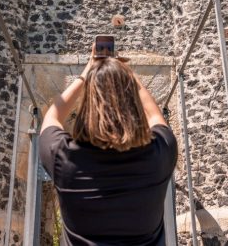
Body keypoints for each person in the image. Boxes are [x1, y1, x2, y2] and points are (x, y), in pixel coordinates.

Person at [39, 45, 178, 246]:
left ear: (87, 104)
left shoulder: (65, 158)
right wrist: (126, 74)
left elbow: (52, 116)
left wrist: (88, 72)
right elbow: (155, 115)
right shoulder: (160, 154)